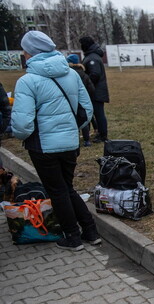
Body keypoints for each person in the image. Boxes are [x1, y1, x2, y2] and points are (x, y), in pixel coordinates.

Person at [11, 31, 99, 251]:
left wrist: (23, 135)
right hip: (70, 143)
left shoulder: (27, 81)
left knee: (57, 191)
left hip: (43, 146)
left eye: (24, 50)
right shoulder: (71, 74)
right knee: (67, 188)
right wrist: (71, 130)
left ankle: (73, 237)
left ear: (30, 52)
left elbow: (22, 124)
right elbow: (86, 110)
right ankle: (91, 231)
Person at [79, 36, 109, 143]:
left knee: (98, 113)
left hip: (95, 91)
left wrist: (86, 85)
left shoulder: (92, 58)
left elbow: (95, 74)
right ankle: (100, 132)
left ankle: (103, 135)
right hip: (95, 90)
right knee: (97, 113)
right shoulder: (92, 56)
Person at [67, 54, 95, 147]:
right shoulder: (83, 73)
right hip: (83, 101)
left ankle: (75, 140)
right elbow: (91, 88)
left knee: (73, 120)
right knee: (84, 119)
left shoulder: (67, 74)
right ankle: (87, 141)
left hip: (71, 101)